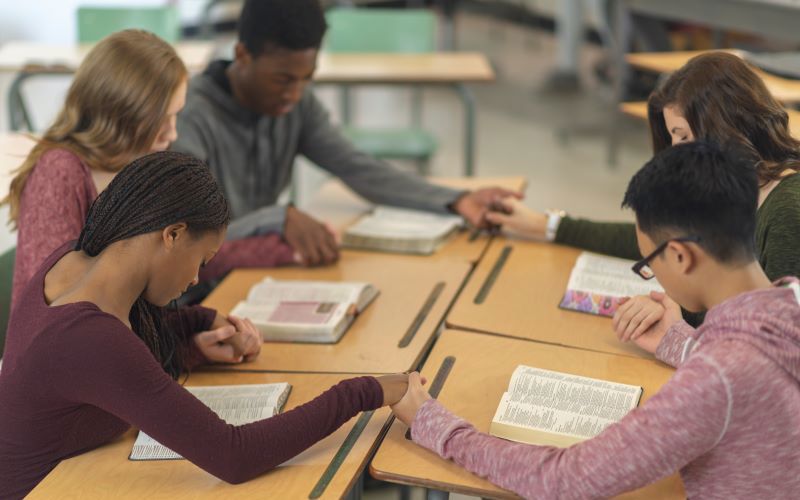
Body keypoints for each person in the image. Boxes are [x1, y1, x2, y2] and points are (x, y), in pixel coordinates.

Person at [391, 142, 800, 499]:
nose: (652, 275)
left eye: (648, 263)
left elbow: (565, 480)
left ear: (680, 256)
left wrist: (434, 423)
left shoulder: (718, 377)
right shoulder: (790, 299)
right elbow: (759, 372)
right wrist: (678, 342)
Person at [0, 151, 411, 499]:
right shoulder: (92, 341)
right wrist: (365, 391)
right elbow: (234, 455)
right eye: (201, 261)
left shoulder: (69, 260)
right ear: (173, 235)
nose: (196, 279)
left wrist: (197, 323)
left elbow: (117, 351)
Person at [171, 0, 521, 267]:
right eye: (283, 79)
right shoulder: (189, 117)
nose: (294, 94)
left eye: (307, 78)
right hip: (196, 284)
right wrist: (278, 218)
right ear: (242, 55)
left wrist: (456, 200)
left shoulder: (296, 106)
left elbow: (358, 167)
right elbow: (186, 236)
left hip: (254, 270)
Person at [486, 51, 800, 339]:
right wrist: (547, 226)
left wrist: (679, 316)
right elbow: (659, 239)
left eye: (684, 136)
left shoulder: (786, 209)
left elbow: (770, 341)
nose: (677, 151)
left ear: (728, 126)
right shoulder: (736, 189)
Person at [2, 29, 294, 309]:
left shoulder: (137, 171)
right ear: (121, 112)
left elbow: (174, 265)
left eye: (176, 116)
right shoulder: (59, 173)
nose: (172, 134)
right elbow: (55, 305)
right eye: (162, 119)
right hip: (72, 355)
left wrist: (195, 338)